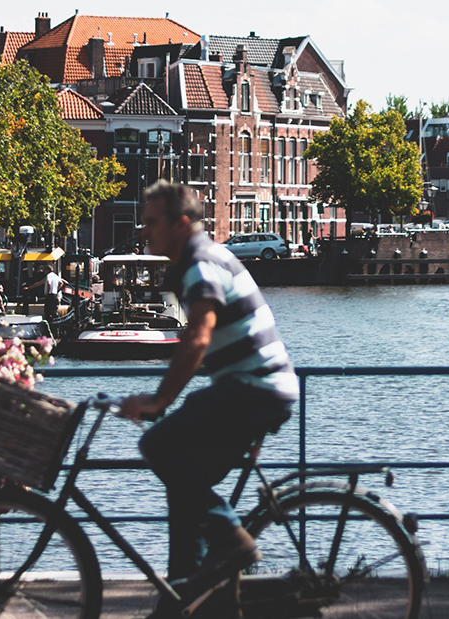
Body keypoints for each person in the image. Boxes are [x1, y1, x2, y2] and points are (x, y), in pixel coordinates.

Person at [119, 181, 298, 617]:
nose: (144, 232)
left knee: (157, 444)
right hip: (250, 388)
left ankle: (233, 539)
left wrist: (159, 401)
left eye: (152, 223)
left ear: (182, 224)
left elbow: (197, 338)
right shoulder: (196, 262)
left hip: (254, 389)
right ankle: (186, 595)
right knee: (185, 482)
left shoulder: (200, 263)